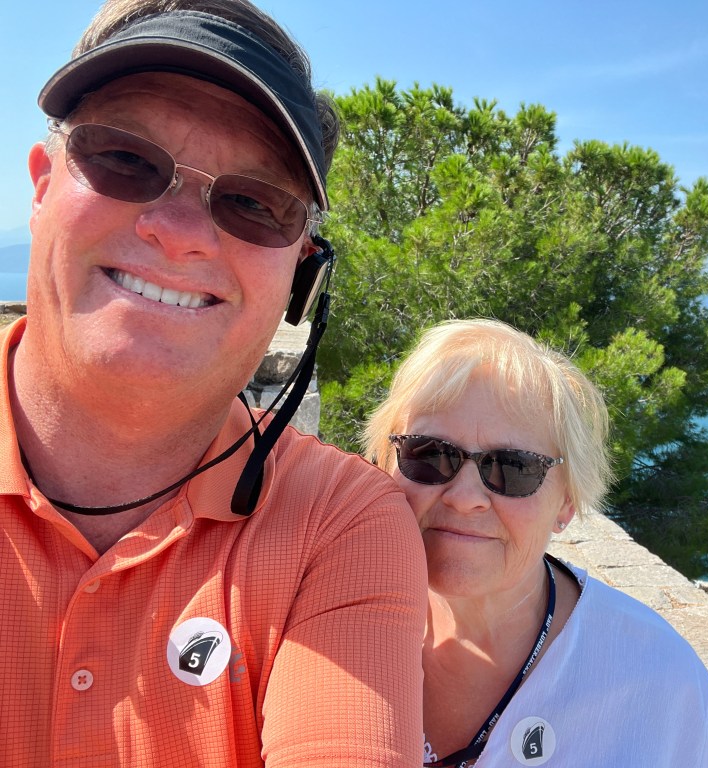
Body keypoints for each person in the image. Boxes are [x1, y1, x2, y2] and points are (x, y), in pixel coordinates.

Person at [4, 1, 426, 765]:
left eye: (253, 204)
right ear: (40, 187)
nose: (179, 232)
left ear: (302, 277)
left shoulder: (337, 527)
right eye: (126, 159)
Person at [363, 319, 708, 767]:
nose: (464, 498)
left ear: (566, 502)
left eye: (513, 467)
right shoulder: (327, 613)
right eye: (429, 453)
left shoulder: (659, 682)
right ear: (385, 464)